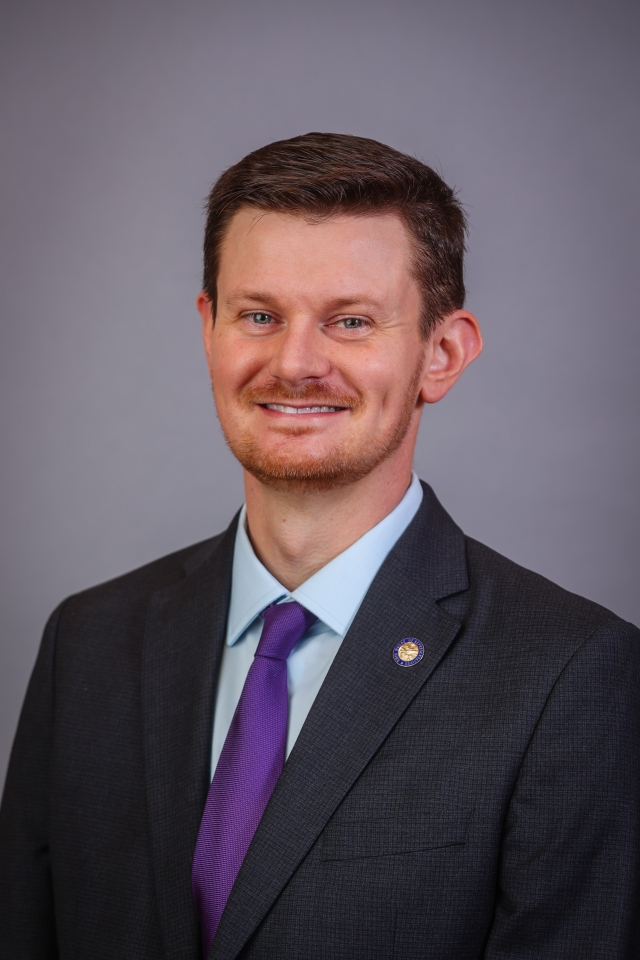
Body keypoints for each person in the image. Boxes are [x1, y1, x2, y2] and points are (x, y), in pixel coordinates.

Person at [1, 132, 638, 960]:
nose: (296, 363)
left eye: (351, 321)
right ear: (209, 328)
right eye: (259, 316)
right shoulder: (88, 643)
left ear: (441, 354)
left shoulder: (570, 675)